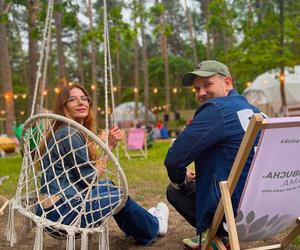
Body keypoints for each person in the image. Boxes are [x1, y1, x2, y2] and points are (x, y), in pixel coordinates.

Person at [36, 84, 169, 245]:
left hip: (48, 212)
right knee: (118, 194)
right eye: (73, 99)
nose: (81, 102)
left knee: (108, 185)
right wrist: (109, 147)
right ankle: (155, 225)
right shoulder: (69, 134)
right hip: (64, 214)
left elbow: (80, 178)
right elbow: (89, 180)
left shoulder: (63, 132)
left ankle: (142, 223)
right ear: (63, 106)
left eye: (84, 99)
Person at [164, 60, 261, 248]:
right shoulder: (256, 111)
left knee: (174, 190)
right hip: (269, 210)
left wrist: (180, 180)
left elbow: (174, 159)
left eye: (207, 84)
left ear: (228, 83)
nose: (201, 93)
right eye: (196, 89)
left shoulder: (216, 109)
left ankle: (214, 234)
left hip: (234, 217)